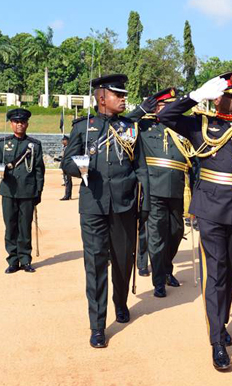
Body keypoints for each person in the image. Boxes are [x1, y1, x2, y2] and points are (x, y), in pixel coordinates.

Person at [156, 70, 232, 371]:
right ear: (217, 98)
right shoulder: (201, 124)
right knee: (215, 274)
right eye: (231, 97)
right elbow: (166, 117)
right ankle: (216, 341)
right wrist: (194, 97)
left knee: (230, 273)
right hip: (210, 209)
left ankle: (221, 322)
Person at [61, 74, 150, 349]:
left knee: (123, 262)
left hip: (124, 205)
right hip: (94, 206)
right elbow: (66, 162)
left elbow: (141, 167)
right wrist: (81, 168)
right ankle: (97, 325)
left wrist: (144, 202)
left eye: (124, 95)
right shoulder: (83, 127)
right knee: (96, 264)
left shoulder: (130, 128)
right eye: (118, 95)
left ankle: (120, 302)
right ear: (102, 98)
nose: (124, 99)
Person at [126, 88, 192, 297]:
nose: (171, 109)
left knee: (176, 232)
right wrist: (140, 109)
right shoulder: (145, 125)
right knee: (156, 236)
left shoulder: (182, 128)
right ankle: (159, 280)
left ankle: (166, 269)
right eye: (166, 105)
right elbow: (122, 124)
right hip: (154, 189)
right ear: (157, 108)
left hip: (177, 188)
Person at [0, 108, 45, 274]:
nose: (19, 125)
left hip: (27, 192)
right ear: (11, 124)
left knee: (25, 227)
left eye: (22, 122)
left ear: (27, 124)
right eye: (16, 122)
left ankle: (25, 259)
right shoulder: (3, 143)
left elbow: (39, 170)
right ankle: (12, 260)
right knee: (10, 226)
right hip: (8, 191)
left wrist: (38, 191)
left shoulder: (34, 145)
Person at [54, 136, 72, 201]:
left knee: (67, 181)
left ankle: (67, 195)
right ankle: (68, 195)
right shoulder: (65, 148)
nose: (62, 142)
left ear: (67, 141)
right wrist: (59, 159)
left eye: (63, 140)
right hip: (64, 166)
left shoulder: (69, 148)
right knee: (67, 180)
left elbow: (67, 157)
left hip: (67, 166)